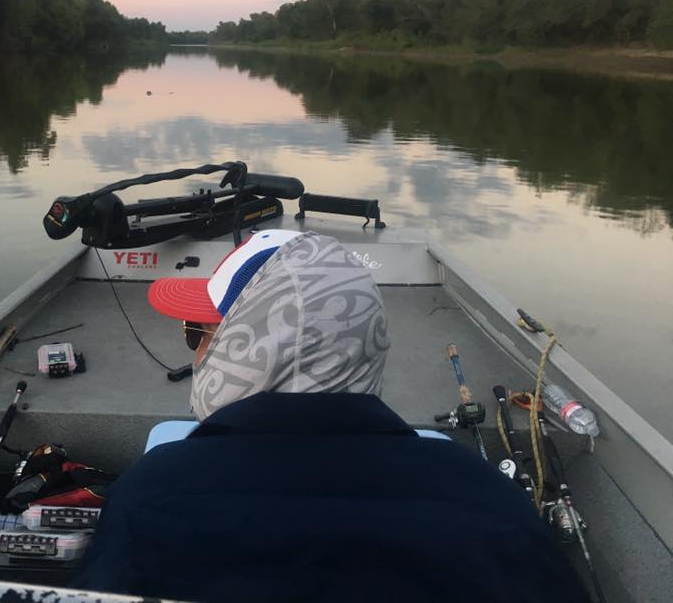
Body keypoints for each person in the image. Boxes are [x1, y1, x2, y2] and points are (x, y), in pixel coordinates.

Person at [74, 230, 588, 603]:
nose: (194, 356)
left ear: (247, 348)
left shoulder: (150, 496)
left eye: (197, 335)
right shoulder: (495, 504)